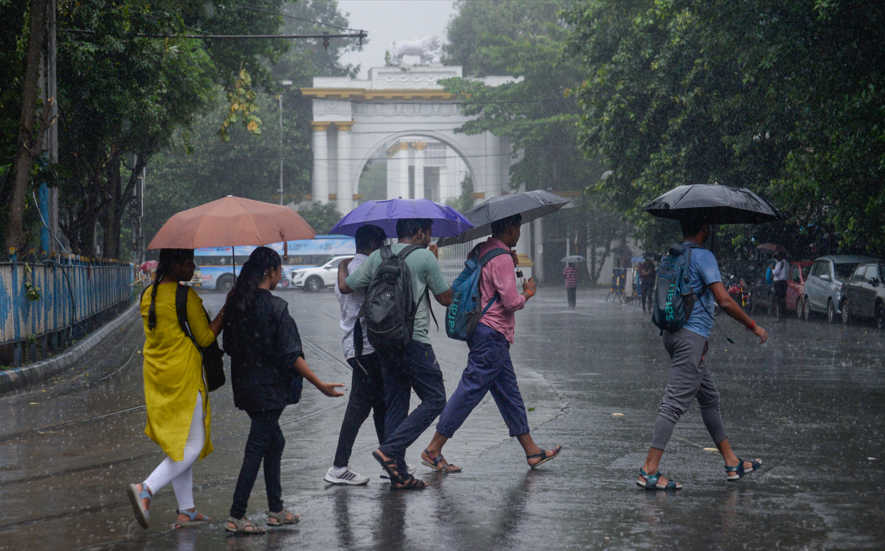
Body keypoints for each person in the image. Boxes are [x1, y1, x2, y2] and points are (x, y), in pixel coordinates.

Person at [421, 214, 562, 473]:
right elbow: (511, 302)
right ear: (510, 229)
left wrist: (508, 262)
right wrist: (528, 291)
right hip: (492, 334)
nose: (519, 233)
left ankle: (532, 451)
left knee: (509, 394)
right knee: (470, 389)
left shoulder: (484, 249)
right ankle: (433, 448)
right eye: (518, 228)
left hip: (482, 332)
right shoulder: (502, 257)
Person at [637, 219, 768, 490]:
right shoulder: (703, 256)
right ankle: (649, 470)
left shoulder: (672, 254)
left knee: (709, 398)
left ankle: (732, 462)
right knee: (673, 403)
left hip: (672, 336)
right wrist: (753, 326)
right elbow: (724, 300)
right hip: (691, 340)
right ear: (704, 230)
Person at [222, 247, 344, 533]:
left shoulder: (237, 304)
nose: (281, 274)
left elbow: (228, 346)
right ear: (270, 272)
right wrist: (320, 385)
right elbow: (291, 356)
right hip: (269, 393)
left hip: (246, 389)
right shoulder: (276, 307)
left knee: (274, 442)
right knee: (256, 450)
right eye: (279, 269)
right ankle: (236, 515)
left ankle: (276, 510)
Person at [337, 218, 452, 490]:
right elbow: (445, 298)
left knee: (397, 402)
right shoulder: (425, 257)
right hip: (414, 341)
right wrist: (433, 263)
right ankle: (390, 450)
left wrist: (342, 264)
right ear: (420, 232)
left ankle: (398, 473)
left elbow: (347, 286)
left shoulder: (377, 256)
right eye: (428, 233)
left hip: (384, 341)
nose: (429, 238)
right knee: (436, 399)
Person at [127, 249, 224, 530]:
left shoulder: (148, 294)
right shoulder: (186, 296)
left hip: (158, 377)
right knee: (193, 444)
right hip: (184, 377)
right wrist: (226, 310)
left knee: (181, 444)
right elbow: (206, 337)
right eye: (186, 262)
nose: (192, 267)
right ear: (172, 265)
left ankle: (187, 510)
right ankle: (146, 488)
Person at [325, 225, 389, 486]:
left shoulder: (346, 266)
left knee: (379, 406)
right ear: (373, 243)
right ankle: (339, 466)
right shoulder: (369, 268)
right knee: (360, 408)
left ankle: (389, 460)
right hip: (368, 348)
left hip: (354, 347)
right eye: (382, 242)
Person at [771, 251, 789, 321]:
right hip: (784, 283)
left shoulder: (779, 263)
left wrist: (772, 269)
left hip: (779, 283)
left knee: (778, 299)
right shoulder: (787, 263)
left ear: (780, 257)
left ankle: (780, 316)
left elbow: (776, 272)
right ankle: (783, 315)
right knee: (782, 299)